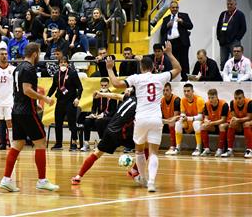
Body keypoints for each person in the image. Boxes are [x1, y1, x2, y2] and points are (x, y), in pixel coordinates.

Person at [106, 41, 181, 192]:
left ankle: (143, 178)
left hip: (140, 118)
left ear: (141, 68)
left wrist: (110, 69)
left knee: (139, 151)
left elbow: (115, 84)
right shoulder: (160, 77)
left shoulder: (136, 78)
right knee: (153, 152)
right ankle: (152, 183)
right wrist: (169, 54)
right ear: (153, 67)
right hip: (156, 119)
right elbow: (178, 69)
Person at [0, 42, 59, 192]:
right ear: (35, 54)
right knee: (41, 142)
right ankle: (42, 180)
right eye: (39, 53)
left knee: (17, 144)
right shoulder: (29, 68)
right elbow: (26, 90)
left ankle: (6, 179)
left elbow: (19, 91)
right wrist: (43, 99)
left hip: (17, 111)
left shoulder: (18, 67)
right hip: (27, 112)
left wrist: (34, 102)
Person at [71, 87, 137, 185]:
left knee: (96, 154)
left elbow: (116, 96)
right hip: (123, 133)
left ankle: (78, 177)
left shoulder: (128, 98)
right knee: (145, 149)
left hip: (110, 130)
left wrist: (101, 94)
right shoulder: (142, 103)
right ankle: (134, 171)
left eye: (129, 88)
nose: (127, 89)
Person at [47, 57, 83, 151]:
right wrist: (48, 96)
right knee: (58, 123)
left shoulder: (72, 73)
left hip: (70, 101)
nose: (63, 64)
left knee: (72, 123)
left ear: (68, 64)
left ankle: (74, 143)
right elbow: (53, 87)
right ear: (58, 64)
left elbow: (80, 87)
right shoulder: (56, 75)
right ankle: (59, 143)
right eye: (61, 62)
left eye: (64, 62)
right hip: (60, 102)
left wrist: (77, 98)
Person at [81, 78, 117, 152]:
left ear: (108, 85)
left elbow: (113, 111)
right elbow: (94, 108)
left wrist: (103, 115)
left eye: (105, 85)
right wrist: (93, 114)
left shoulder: (112, 96)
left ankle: (101, 142)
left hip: (108, 117)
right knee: (87, 121)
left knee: (99, 121)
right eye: (102, 85)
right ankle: (86, 143)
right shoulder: (97, 95)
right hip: (98, 116)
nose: (103, 87)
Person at [160, 0, 193, 81]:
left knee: (184, 62)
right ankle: (171, 79)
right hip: (170, 44)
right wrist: (167, 25)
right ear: (170, 8)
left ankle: (185, 79)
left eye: (176, 7)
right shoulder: (166, 19)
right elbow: (162, 32)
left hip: (181, 42)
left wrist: (182, 22)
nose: (175, 9)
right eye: (173, 7)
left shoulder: (184, 16)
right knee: (171, 62)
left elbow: (190, 26)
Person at [216, 0, 246, 70]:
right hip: (223, 43)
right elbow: (218, 26)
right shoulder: (223, 14)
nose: (229, 6)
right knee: (223, 62)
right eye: (228, 4)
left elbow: (243, 28)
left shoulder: (240, 14)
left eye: (231, 4)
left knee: (236, 61)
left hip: (234, 43)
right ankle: (223, 79)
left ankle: (236, 79)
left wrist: (237, 39)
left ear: (235, 4)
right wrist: (219, 38)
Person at [175, 83, 205, 156]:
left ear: (193, 91)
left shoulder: (199, 99)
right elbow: (182, 113)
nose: (186, 93)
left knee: (196, 123)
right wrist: (182, 117)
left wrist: (187, 118)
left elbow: (201, 116)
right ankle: (178, 148)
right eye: (184, 91)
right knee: (178, 123)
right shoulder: (183, 100)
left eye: (188, 91)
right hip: (188, 122)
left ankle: (198, 148)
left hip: (199, 122)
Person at [222, 89, 252, 158]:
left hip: (249, 120)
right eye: (236, 98)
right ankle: (229, 150)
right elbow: (234, 116)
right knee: (232, 124)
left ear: (244, 97)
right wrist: (235, 120)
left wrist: (238, 120)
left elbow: (249, 117)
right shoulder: (232, 103)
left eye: (239, 98)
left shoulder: (250, 103)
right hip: (241, 121)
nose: (238, 100)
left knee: (246, 124)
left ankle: (250, 150)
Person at [200, 89, 230, 157]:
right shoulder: (207, 104)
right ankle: (206, 149)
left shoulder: (224, 104)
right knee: (203, 126)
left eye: (212, 97)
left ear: (216, 96)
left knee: (221, 126)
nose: (210, 100)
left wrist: (211, 123)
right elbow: (206, 117)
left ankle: (220, 149)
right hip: (214, 124)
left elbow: (223, 120)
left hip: (226, 124)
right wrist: (206, 121)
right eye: (209, 98)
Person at [161, 82, 181, 155]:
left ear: (171, 90)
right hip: (167, 121)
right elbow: (159, 115)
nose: (165, 92)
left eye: (167, 90)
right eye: (164, 90)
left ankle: (173, 146)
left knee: (171, 123)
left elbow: (175, 117)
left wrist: (166, 121)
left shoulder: (176, 100)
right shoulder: (161, 100)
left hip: (177, 121)